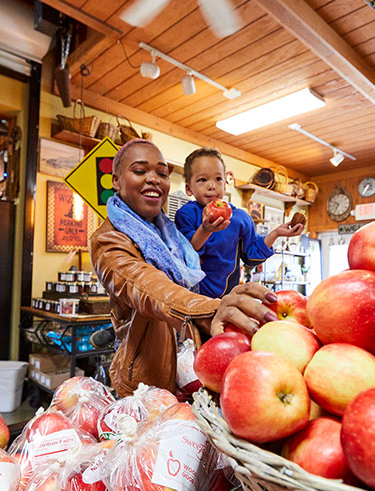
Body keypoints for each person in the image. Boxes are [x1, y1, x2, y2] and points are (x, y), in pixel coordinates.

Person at [90, 139, 279, 398]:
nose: (154, 179)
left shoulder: (169, 233)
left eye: (161, 173)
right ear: (116, 180)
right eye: (140, 171)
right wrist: (212, 307)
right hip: (149, 379)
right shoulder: (109, 239)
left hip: (191, 360)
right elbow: (148, 287)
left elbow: (249, 254)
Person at [174, 147, 304, 298]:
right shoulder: (186, 214)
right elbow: (186, 253)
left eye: (218, 179)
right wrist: (205, 229)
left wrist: (276, 233)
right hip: (194, 297)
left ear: (225, 183)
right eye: (203, 180)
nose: (212, 186)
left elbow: (251, 256)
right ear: (189, 188)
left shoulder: (240, 218)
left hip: (228, 297)